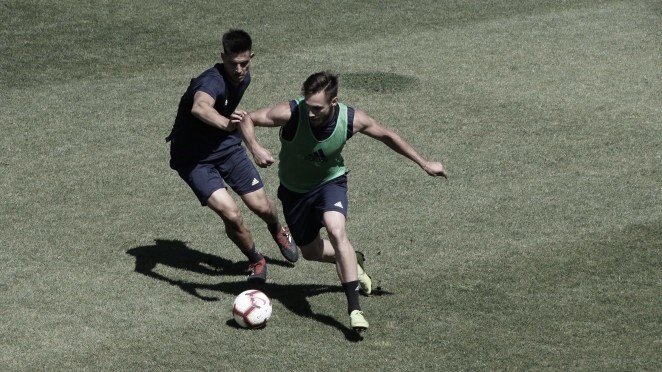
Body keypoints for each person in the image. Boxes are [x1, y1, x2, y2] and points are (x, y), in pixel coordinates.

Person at [239, 71, 448, 332]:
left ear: (334, 102)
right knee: (311, 252)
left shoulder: (351, 119)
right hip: (294, 192)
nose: (311, 113)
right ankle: (353, 259)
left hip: (330, 184)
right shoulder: (292, 112)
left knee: (337, 231)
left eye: (318, 108)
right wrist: (255, 147)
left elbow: (387, 135)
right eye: (308, 105)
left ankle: (354, 309)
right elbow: (248, 118)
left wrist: (424, 163)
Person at [165, 29, 298, 283]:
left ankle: (278, 230)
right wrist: (225, 124)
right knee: (232, 214)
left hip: (226, 149)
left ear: (251, 57)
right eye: (233, 64)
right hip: (194, 160)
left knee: (262, 207)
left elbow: (239, 116)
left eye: (244, 63)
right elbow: (200, 107)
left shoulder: (243, 79)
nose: (238, 70)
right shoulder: (210, 81)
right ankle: (256, 260)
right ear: (222, 57)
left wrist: (255, 147)